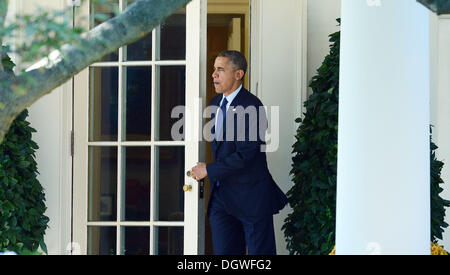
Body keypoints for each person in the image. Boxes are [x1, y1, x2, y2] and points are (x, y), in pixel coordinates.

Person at [190, 50, 287, 255]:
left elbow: (246, 155)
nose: (213, 75)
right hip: (222, 201)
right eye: (214, 69)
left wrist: (208, 169)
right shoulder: (215, 104)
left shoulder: (253, 106)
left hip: (251, 198)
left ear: (238, 74)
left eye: (220, 70)